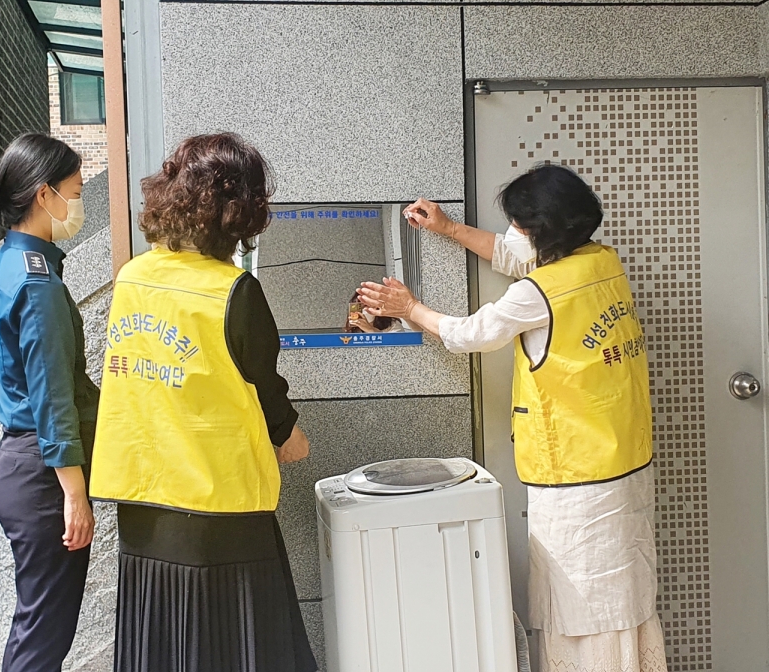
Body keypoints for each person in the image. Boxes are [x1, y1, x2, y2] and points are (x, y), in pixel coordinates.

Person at [358, 164, 668, 672]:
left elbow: (468, 334)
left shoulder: (539, 293)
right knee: (623, 595)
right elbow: (514, 257)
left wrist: (410, 307)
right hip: (626, 459)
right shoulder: (600, 263)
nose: (513, 234)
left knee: (581, 607)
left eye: (519, 224)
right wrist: (449, 229)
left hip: (576, 477)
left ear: (540, 231)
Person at [90, 132, 318, 672]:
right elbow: (265, 387)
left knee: (162, 646)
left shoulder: (132, 278)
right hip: (220, 501)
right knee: (237, 644)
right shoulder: (234, 290)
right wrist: (291, 437)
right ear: (239, 210)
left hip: (143, 498)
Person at [0, 133, 98, 672]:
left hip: (23, 466)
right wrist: (74, 491)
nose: (79, 201)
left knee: (37, 628)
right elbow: (50, 392)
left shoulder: (10, 262)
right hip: (43, 476)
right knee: (43, 636)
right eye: (75, 189)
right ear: (45, 195)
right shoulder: (39, 282)